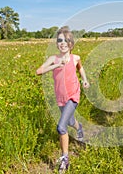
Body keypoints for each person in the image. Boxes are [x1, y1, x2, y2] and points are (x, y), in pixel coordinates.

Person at [36, 26, 90, 172]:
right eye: (59, 40)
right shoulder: (53, 59)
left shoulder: (75, 58)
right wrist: (56, 65)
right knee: (71, 121)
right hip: (60, 97)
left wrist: (84, 80)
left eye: (65, 40)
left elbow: (80, 68)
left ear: (71, 43)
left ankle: (64, 159)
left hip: (73, 95)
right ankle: (80, 129)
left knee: (61, 127)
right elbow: (38, 71)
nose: (62, 43)